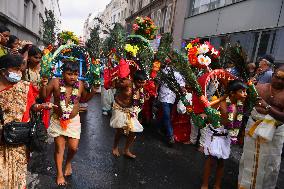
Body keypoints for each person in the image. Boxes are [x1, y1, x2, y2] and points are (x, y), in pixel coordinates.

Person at [0, 54, 54, 189]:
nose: (18, 74)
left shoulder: (24, 87)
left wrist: (41, 106)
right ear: (2, 70)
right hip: (1, 142)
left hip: (18, 141)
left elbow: (32, 106)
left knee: (17, 179)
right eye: (15, 70)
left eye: (20, 70)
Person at [40, 61, 98, 186]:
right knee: (59, 148)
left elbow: (83, 99)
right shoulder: (55, 82)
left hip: (73, 121)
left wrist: (93, 91)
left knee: (73, 147)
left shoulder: (80, 84)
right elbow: (44, 96)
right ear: (63, 73)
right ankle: (60, 174)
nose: (73, 77)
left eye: (75, 74)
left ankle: (68, 163)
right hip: (58, 119)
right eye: (69, 74)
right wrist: (43, 85)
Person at [238, 65, 284, 189]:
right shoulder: (259, 87)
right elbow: (245, 104)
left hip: (275, 132)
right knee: (248, 159)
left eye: (283, 79)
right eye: (277, 77)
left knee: (271, 164)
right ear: (273, 74)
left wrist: (267, 107)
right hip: (253, 126)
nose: (279, 81)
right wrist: (246, 89)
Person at [201, 80, 247, 189]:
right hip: (214, 134)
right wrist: (206, 117)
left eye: (245, 91)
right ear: (232, 93)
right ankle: (205, 185)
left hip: (227, 135)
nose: (245, 94)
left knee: (221, 162)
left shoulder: (241, 104)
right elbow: (207, 112)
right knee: (210, 160)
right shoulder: (220, 103)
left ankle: (217, 185)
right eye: (242, 91)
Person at [111, 70, 147, 159]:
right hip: (119, 108)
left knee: (133, 132)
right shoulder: (127, 83)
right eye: (139, 82)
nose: (141, 85)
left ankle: (126, 150)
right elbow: (114, 85)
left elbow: (138, 101)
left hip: (131, 110)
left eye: (143, 82)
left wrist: (144, 99)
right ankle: (115, 147)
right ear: (134, 80)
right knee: (120, 130)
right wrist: (117, 79)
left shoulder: (141, 89)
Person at [158, 64, 186, 145]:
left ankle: (160, 127)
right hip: (164, 95)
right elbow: (159, 81)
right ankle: (170, 136)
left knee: (167, 114)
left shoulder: (180, 74)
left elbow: (182, 86)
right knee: (167, 114)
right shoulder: (165, 70)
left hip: (172, 97)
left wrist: (184, 91)